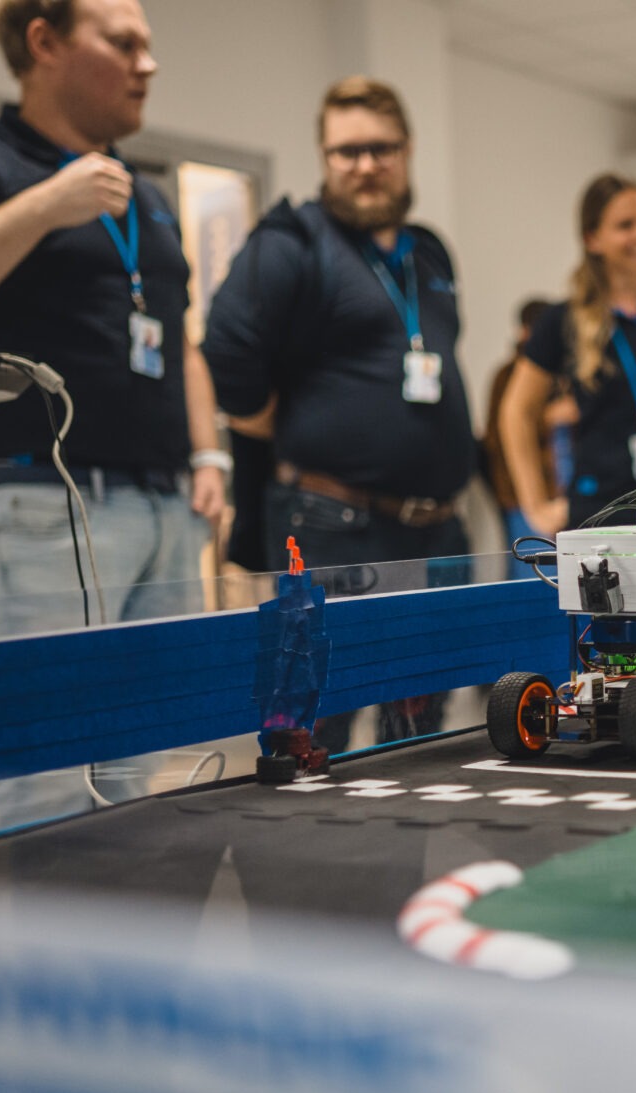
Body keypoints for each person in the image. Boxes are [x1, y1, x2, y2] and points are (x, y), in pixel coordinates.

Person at [0, 0, 227, 830]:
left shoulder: (146, 195)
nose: (148, 64)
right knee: (53, 771)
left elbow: (178, 339)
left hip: (166, 506)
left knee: (134, 762)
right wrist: (44, 206)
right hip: (46, 506)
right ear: (44, 43)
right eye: (124, 43)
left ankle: (116, 918)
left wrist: (209, 457)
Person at [203, 76, 473, 750]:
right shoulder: (292, 241)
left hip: (436, 533)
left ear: (407, 150)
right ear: (325, 158)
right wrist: (282, 424)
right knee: (314, 731)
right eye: (346, 151)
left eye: (381, 148)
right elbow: (225, 348)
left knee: (420, 734)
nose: (365, 165)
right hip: (332, 527)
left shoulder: (429, 251)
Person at [498, 173, 636, 534]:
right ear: (592, 239)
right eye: (625, 225)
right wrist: (535, 507)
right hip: (600, 516)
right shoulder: (564, 320)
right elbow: (516, 411)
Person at [480, 297, 576, 568]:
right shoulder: (506, 377)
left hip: (566, 491)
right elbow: (499, 436)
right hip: (523, 496)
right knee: (533, 567)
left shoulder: (566, 374)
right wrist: (550, 417)